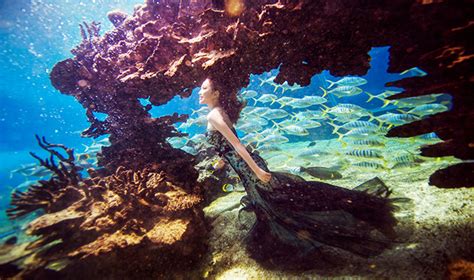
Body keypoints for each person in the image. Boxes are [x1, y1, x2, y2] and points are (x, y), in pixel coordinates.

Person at [198, 77, 410, 266]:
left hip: (251, 171)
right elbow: (227, 147)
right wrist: (222, 162)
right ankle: (368, 210)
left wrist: (258, 172)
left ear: (216, 93)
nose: (199, 92)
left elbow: (237, 146)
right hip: (249, 170)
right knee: (293, 198)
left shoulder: (213, 116)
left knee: (296, 199)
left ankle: (367, 211)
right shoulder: (218, 113)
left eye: (204, 88)